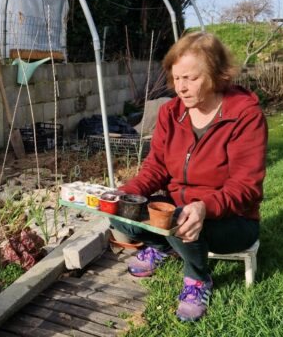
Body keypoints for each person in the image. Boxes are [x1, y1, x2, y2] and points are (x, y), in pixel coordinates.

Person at [113, 31, 267, 322]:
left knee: (180, 220)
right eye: (177, 78)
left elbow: (246, 186)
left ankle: (198, 280)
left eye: (191, 79)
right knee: (120, 214)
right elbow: (156, 167)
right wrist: (127, 192)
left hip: (234, 220)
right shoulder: (170, 113)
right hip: (179, 208)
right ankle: (162, 247)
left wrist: (204, 207)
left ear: (216, 75)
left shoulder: (244, 115)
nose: (181, 88)